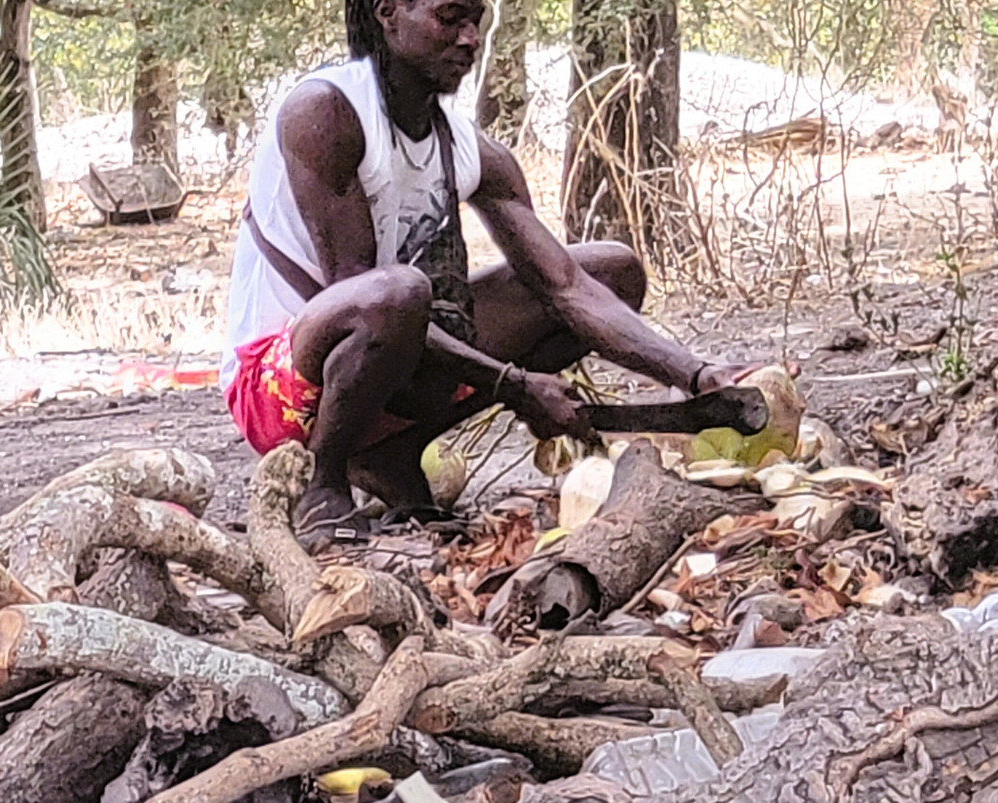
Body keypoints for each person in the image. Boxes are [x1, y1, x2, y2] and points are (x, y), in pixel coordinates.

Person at [221, 0, 759, 549]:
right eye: (450, 18)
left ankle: (391, 452)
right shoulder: (325, 113)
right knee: (400, 294)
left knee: (613, 272)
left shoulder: (468, 149)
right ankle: (324, 482)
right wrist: (515, 385)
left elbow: (566, 286)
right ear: (387, 13)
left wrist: (694, 375)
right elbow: (355, 291)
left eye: (475, 20)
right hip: (278, 388)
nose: (470, 38)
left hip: (390, 350)